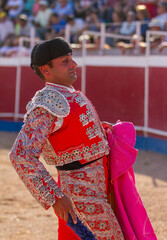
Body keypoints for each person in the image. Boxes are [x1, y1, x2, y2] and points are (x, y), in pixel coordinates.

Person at [9, 37, 157, 240]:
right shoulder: (46, 104)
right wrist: (55, 197)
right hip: (81, 191)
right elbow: (21, 154)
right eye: (65, 61)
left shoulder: (66, 93)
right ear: (46, 70)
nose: (74, 64)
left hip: (100, 182)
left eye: (71, 58)